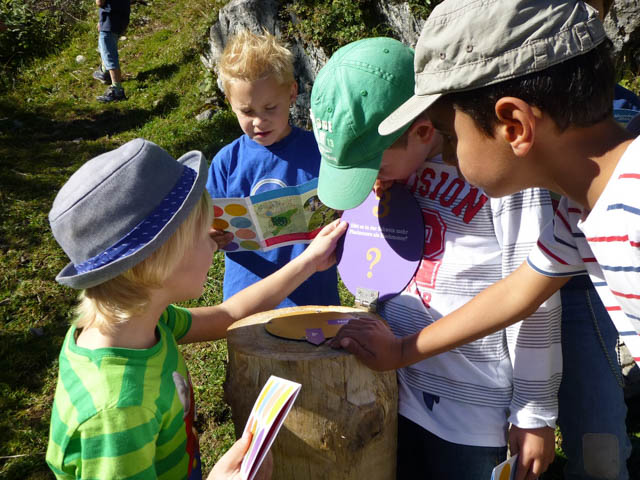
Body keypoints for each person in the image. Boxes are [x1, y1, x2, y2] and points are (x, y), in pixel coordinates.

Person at [330, 2, 639, 478]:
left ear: (513, 126)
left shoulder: (631, 221)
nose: (447, 157)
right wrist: (403, 351)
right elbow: (517, 292)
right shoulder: (580, 215)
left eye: (451, 138)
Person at [311, 37, 561, 480]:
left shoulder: (502, 171)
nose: (370, 180)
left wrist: (534, 412)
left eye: (373, 167)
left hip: (476, 415)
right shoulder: (397, 175)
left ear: (423, 131)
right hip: (395, 390)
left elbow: (536, 295)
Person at [44, 138, 347, 479]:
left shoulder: (141, 324)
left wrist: (308, 261)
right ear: (159, 261)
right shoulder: (117, 412)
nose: (214, 243)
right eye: (205, 232)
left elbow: (228, 316)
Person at [206, 29, 340, 308]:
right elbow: (204, 226)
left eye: (270, 108)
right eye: (247, 111)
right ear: (231, 104)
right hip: (247, 298)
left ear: (292, 92)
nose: (259, 121)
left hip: (312, 297)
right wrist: (211, 236)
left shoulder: (320, 150)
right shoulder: (225, 162)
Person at [93, 0, 130, 102]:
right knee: (105, 47)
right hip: (120, 18)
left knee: (109, 54)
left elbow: (100, 2)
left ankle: (117, 90)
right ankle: (104, 72)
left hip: (109, 18)